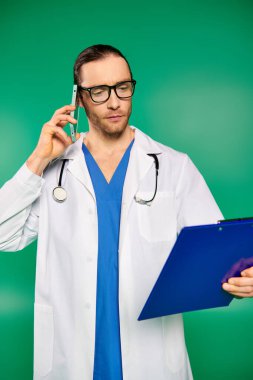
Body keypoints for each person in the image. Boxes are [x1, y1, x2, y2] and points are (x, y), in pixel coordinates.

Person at [0, 44, 253, 380]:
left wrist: (242, 274)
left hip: (151, 354)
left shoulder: (173, 166)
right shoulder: (53, 171)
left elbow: (215, 253)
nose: (115, 101)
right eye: (99, 91)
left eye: (123, 87)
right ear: (78, 97)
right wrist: (37, 160)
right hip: (70, 354)